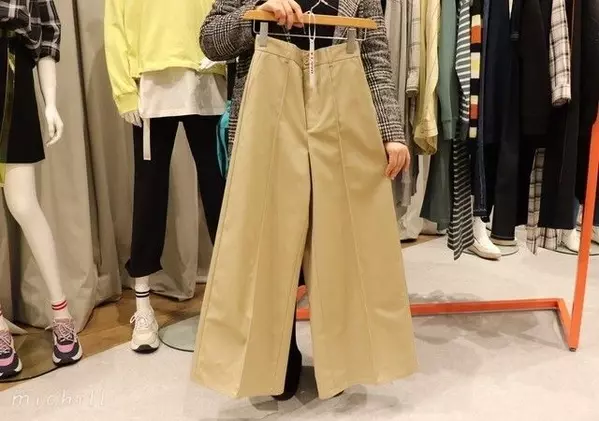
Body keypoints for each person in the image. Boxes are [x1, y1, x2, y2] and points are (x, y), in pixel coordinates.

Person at [194, 0, 415, 401]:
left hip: (343, 108)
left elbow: (374, 55)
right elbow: (210, 39)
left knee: (342, 243)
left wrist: (390, 131)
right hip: (267, 109)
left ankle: (342, 355)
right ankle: (275, 355)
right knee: (266, 243)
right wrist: (256, 13)